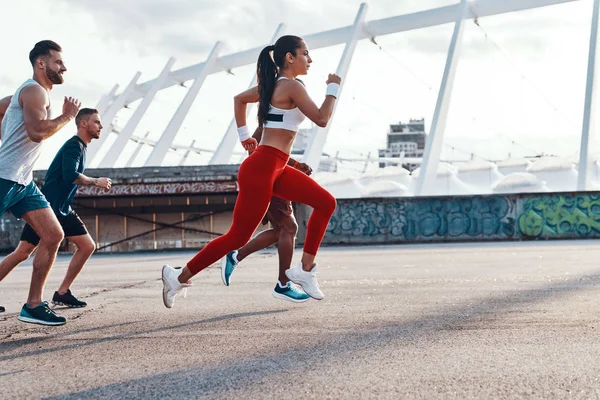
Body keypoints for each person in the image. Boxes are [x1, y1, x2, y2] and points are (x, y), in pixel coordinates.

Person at [162, 35, 341, 308]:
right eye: (305, 53)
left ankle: (304, 271)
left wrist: (246, 136)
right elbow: (322, 118)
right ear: (290, 58)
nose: (310, 59)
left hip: (276, 166)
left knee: (326, 203)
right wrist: (333, 88)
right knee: (237, 236)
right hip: (262, 167)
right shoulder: (291, 86)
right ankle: (178, 276)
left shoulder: (272, 87)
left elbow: (239, 99)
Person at [0, 40, 81, 325]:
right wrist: (67, 116)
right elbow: (36, 132)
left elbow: (2, 109)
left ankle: (33, 306)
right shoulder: (34, 90)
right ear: (41, 64)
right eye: (58, 62)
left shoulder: (27, 93)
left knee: (53, 235)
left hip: (22, 181)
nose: (64, 67)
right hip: (4, 177)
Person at [0, 108, 111, 309]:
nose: (100, 126)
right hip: (47, 208)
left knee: (87, 246)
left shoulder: (81, 147)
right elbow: (70, 175)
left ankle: (62, 293)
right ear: (83, 124)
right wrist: (96, 181)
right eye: (96, 122)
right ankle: (35, 303)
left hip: (63, 209)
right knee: (23, 252)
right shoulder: (74, 146)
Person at [221, 125, 313, 303]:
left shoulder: (276, 122)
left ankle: (236, 256)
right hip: (269, 179)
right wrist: (296, 165)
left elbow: (275, 155)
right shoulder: (268, 125)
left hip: (274, 179)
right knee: (289, 228)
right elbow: (259, 154)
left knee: (281, 231)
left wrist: (295, 166)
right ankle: (283, 284)